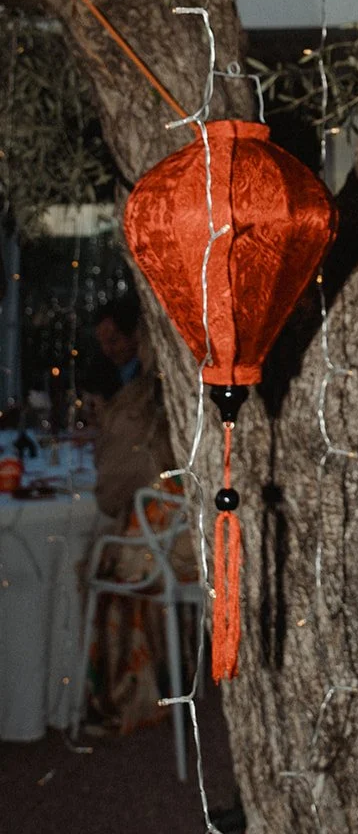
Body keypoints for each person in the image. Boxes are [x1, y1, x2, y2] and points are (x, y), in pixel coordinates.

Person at [84, 298, 195, 735]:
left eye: (114, 337)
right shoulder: (142, 387)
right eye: (103, 341)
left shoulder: (146, 397)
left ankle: (121, 693)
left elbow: (110, 493)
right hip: (178, 534)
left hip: (161, 544)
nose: (109, 347)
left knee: (103, 559)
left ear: (136, 335)